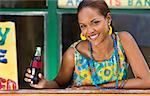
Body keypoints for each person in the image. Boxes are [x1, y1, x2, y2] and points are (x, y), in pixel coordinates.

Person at [24, 0, 150, 89]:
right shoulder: (74, 54)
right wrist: (44, 84)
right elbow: (59, 84)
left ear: (108, 19)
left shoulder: (123, 40)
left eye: (95, 22)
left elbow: (146, 81)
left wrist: (99, 88)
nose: (89, 31)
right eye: (83, 26)